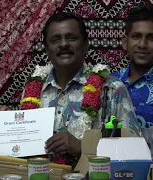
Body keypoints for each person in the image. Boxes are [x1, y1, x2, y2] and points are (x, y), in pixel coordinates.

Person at [23, 12, 141, 158]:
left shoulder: (112, 89)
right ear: (46, 49)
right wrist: (1, 121)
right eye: (55, 40)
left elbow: (135, 151)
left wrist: (82, 147)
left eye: (71, 38)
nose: (64, 44)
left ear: (85, 45)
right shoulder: (33, 90)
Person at [112, 4, 153, 127]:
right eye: (136, 36)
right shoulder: (111, 82)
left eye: (151, 38)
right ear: (125, 42)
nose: (142, 44)